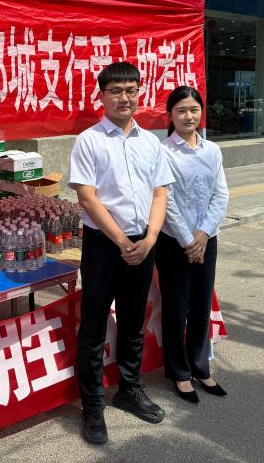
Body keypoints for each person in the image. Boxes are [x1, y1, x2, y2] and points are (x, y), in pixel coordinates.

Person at [69, 61, 175, 445]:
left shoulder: (151, 143)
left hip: (143, 244)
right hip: (104, 245)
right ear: (102, 95)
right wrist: (121, 241)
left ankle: (129, 389)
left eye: (131, 90)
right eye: (115, 90)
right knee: (94, 325)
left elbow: (160, 193)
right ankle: (92, 405)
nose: (124, 97)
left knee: (132, 320)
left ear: (139, 93)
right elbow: (87, 197)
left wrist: (149, 239)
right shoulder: (89, 140)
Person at [156, 85, 229, 403]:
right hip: (174, 242)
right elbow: (166, 200)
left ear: (202, 113)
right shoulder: (163, 152)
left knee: (201, 305)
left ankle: (200, 367)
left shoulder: (212, 150)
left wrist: (203, 234)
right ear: (170, 115)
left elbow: (221, 194)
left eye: (194, 109)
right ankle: (179, 372)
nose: (189, 116)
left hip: (206, 239)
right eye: (182, 110)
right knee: (176, 306)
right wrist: (188, 239)